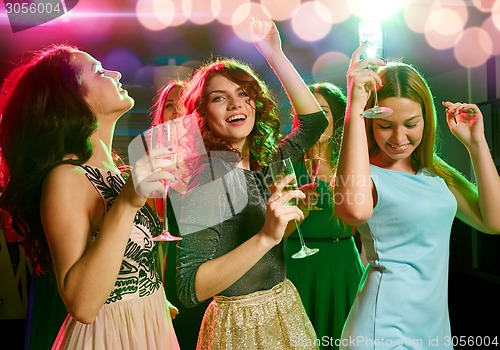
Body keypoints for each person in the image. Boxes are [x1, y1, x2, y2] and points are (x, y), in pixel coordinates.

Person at [0, 44, 180, 349]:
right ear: (69, 98)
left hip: (149, 326)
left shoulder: (117, 171)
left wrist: (153, 295)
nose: (117, 72)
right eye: (98, 71)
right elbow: (82, 305)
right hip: (109, 336)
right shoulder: (65, 178)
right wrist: (127, 202)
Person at [334, 44, 500, 349]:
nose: (399, 138)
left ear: (427, 119)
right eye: (385, 125)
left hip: (433, 329)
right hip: (382, 329)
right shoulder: (364, 173)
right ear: (370, 121)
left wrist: (476, 144)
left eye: (411, 124)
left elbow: (493, 221)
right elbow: (355, 213)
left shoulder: (434, 174)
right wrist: (353, 111)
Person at [174, 19, 328, 349]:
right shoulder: (211, 177)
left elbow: (315, 123)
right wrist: (266, 237)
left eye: (243, 93)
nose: (235, 104)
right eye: (219, 98)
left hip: (284, 305)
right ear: (201, 114)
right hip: (241, 326)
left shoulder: (264, 159)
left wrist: (274, 53)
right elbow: (189, 288)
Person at [285, 82, 365, 349]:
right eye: (311, 113)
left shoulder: (352, 160)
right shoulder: (287, 163)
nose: (319, 120)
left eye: (325, 113)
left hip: (342, 264)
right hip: (297, 264)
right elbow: (274, 234)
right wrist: (300, 212)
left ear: (337, 118)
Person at [148, 79, 211, 350]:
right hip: (174, 266)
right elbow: (150, 231)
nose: (176, 112)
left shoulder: (214, 157)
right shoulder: (153, 163)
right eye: (170, 106)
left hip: (213, 265)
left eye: (184, 105)